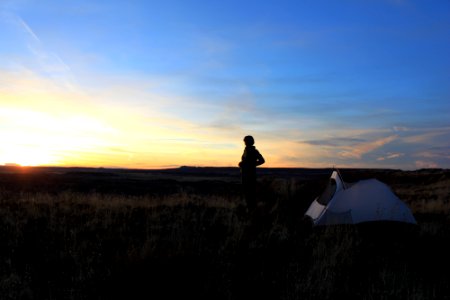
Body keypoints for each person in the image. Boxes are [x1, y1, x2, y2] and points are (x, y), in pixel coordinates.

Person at [238, 135, 265, 212]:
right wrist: (242, 164)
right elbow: (245, 162)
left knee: (251, 193)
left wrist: (251, 165)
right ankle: (250, 209)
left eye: (246, 141)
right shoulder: (246, 150)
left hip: (250, 175)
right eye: (245, 141)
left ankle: (252, 210)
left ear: (250, 141)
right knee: (247, 193)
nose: (245, 143)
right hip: (245, 174)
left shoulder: (254, 151)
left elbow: (262, 160)